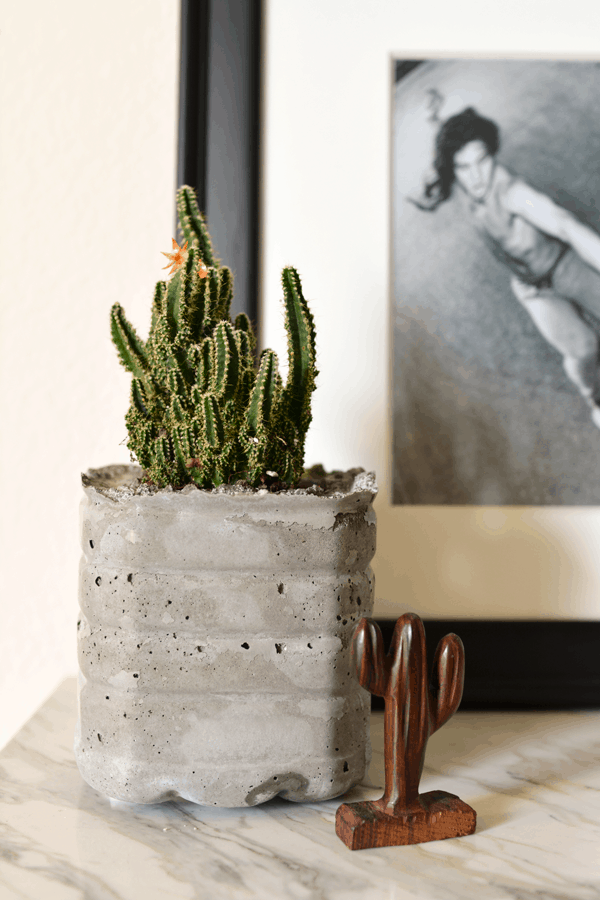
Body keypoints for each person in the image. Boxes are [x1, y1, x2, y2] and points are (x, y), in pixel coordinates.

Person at [410, 103, 600, 428]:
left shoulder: (513, 192)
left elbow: (564, 224)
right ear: (453, 168)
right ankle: (594, 397)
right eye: (465, 166)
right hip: (532, 289)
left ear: (493, 155)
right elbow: (452, 147)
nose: (477, 175)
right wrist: (435, 118)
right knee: (583, 349)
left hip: (564, 266)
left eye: (483, 161)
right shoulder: (458, 180)